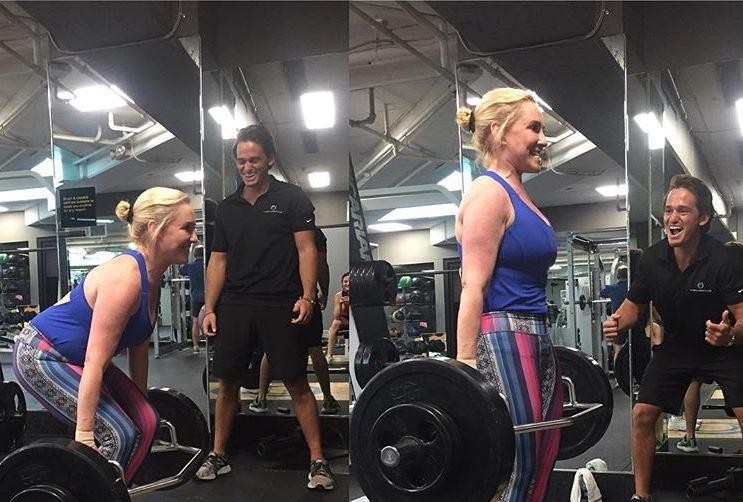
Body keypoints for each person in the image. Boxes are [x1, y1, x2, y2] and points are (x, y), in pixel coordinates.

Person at [12, 187, 197, 485]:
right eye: (187, 228)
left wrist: (139, 403)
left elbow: (138, 345)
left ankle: (116, 489)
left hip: (78, 359)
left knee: (148, 422)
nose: (194, 237)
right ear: (155, 228)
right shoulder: (125, 278)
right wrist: (85, 435)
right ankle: (87, 491)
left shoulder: (152, 278)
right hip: (41, 355)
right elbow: (95, 362)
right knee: (118, 434)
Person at [196, 124, 335, 491]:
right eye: (241, 161)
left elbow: (307, 250)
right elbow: (218, 260)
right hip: (236, 303)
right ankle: (218, 455)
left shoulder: (292, 198)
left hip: (280, 302)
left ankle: (318, 461)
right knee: (227, 382)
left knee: (296, 382)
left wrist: (307, 296)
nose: (247, 167)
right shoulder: (227, 208)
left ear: (270, 159)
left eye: (254, 160)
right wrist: (209, 307)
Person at [603, 175, 743, 502]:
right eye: (668, 210)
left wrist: (730, 334)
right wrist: (616, 322)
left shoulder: (723, 260)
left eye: (683, 211)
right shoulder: (652, 260)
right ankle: (641, 495)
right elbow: (634, 305)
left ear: (703, 218)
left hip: (722, 349)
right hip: (677, 348)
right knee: (642, 414)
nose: (672, 218)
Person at [454, 88, 561, 502]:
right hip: (503, 335)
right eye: (534, 128)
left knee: (545, 449)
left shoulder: (519, 192)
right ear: (500, 132)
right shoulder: (489, 193)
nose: (543, 139)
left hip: (536, 333)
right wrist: (464, 369)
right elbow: (473, 285)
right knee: (518, 460)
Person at [249, 226, 341, 415]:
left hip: (280, 300)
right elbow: (321, 266)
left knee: (271, 349)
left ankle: (261, 399)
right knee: (315, 348)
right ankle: (328, 399)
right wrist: (323, 293)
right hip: (306, 299)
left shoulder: (277, 230)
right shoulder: (316, 233)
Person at [670, 240, 743, 454]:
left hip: (714, 342)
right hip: (722, 342)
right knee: (737, 392)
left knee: (695, 383)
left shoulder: (717, 277)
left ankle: (690, 438)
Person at [600, 267, 629, 364]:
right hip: (633, 321)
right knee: (636, 347)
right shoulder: (632, 288)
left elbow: (601, 293)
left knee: (617, 349)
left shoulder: (612, 288)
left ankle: (618, 372)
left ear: (618, 276)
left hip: (618, 321)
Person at [179, 245, 204, 354]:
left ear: (195, 255)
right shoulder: (207, 265)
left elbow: (181, 271)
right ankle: (214, 345)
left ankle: (196, 347)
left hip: (196, 297)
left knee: (195, 322)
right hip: (208, 297)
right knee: (212, 320)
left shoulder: (191, 266)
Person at [325, 272, 349, 365]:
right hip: (343, 320)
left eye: (349, 281)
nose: (347, 283)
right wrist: (340, 303)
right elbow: (336, 316)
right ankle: (329, 355)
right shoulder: (338, 295)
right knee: (335, 323)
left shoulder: (358, 294)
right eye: (345, 281)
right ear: (342, 284)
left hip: (355, 320)